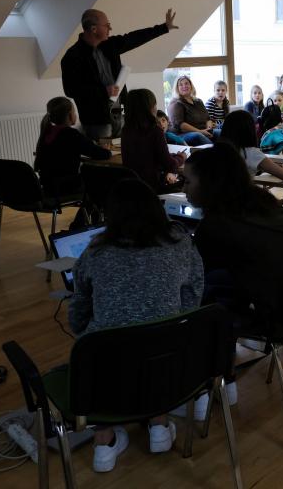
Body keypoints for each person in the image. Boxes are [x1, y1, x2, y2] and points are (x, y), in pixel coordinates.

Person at [69, 178, 203, 472]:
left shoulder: (95, 250)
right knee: (158, 346)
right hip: (166, 358)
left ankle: (103, 444)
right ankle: (159, 426)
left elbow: (79, 309)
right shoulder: (181, 243)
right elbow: (193, 296)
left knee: (94, 349)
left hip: (107, 362)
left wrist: (85, 330)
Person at [183, 144, 283, 416]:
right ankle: (226, 378)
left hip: (276, 314)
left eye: (187, 181)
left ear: (209, 184)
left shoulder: (217, 226)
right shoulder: (264, 204)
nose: (183, 187)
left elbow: (194, 274)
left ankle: (204, 386)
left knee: (192, 297)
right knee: (216, 287)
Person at [61, 8, 177, 140]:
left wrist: (164, 28)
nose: (110, 28)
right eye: (106, 25)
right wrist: (103, 91)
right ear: (93, 29)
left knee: (126, 150)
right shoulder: (73, 56)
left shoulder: (109, 45)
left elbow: (134, 38)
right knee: (103, 152)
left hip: (121, 114)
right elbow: (71, 90)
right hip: (96, 120)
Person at [34, 97, 111, 198]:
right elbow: (102, 154)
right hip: (68, 188)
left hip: (48, 188)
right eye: (74, 112)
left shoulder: (47, 132)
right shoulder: (71, 134)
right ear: (70, 115)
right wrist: (105, 149)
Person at [121, 88, 184, 191]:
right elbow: (169, 164)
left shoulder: (126, 130)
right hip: (153, 187)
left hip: (132, 186)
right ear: (150, 108)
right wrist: (181, 157)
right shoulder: (155, 130)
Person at [218, 110, 283, 186]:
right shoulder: (252, 153)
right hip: (242, 195)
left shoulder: (216, 151)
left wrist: (265, 168)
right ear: (250, 130)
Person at [168, 76, 215, 145]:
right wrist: (200, 131)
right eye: (181, 85)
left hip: (203, 130)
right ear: (177, 88)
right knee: (198, 136)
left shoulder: (198, 101)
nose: (184, 86)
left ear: (191, 85)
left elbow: (208, 119)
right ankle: (216, 151)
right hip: (183, 134)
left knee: (221, 132)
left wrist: (209, 128)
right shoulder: (175, 103)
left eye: (186, 83)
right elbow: (180, 125)